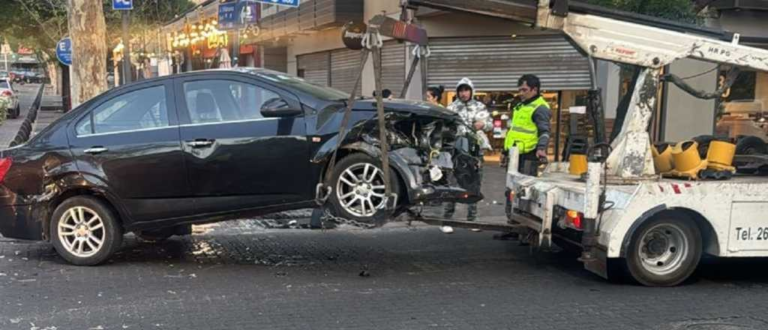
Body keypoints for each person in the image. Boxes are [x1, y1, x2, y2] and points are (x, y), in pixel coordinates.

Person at [442, 77, 492, 233]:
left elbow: (489, 124)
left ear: (471, 91)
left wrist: (483, 124)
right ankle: (446, 221)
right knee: (452, 184)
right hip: (456, 152)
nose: (463, 93)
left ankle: (472, 220)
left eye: (466, 90)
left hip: (474, 152)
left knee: (474, 185)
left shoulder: (479, 107)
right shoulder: (451, 107)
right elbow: (444, 128)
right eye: (461, 90)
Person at [503, 74, 551, 223]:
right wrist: (505, 152)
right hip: (515, 156)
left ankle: (522, 225)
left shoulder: (540, 107)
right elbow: (513, 132)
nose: (521, 93)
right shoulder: (520, 106)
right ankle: (512, 223)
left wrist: (541, 148)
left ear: (534, 89)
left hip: (528, 156)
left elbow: (545, 131)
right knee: (511, 190)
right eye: (520, 90)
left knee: (524, 192)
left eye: (524, 90)